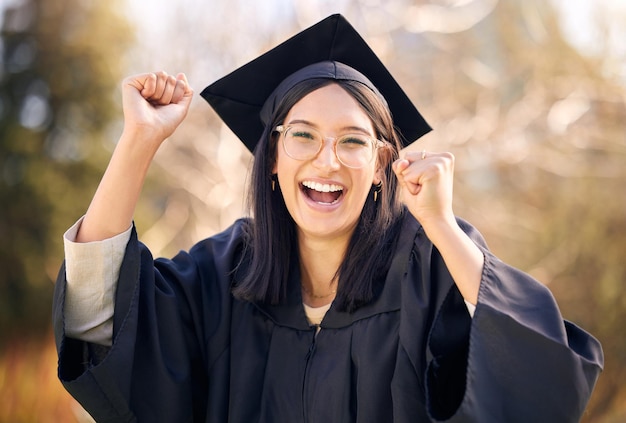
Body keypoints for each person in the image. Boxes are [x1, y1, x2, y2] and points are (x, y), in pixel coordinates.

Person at [53, 14, 603, 423]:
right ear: (271, 158)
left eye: (353, 141)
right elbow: (99, 316)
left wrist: (442, 226)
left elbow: (543, 384)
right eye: (304, 136)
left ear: (382, 163)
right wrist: (138, 141)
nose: (327, 160)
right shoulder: (224, 275)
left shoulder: (428, 264)